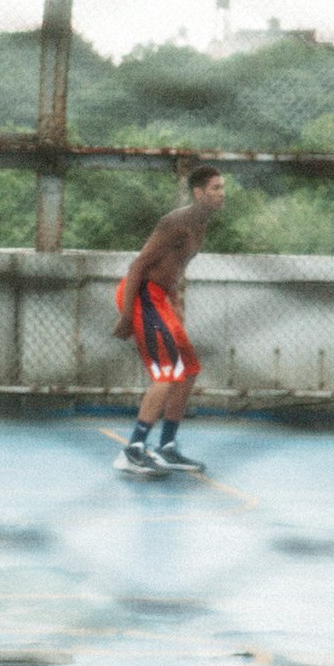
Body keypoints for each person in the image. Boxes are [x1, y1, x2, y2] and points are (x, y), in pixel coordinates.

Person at [110, 164, 225, 475]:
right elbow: (138, 266)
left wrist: (173, 304)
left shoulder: (200, 225)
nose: (221, 194)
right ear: (198, 193)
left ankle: (167, 447)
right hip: (142, 296)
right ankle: (133, 449)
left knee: (187, 370)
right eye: (215, 188)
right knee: (167, 373)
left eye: (222, 188)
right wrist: (126, 317)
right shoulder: (174, 223)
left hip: (160, 299)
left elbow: (173, 269)